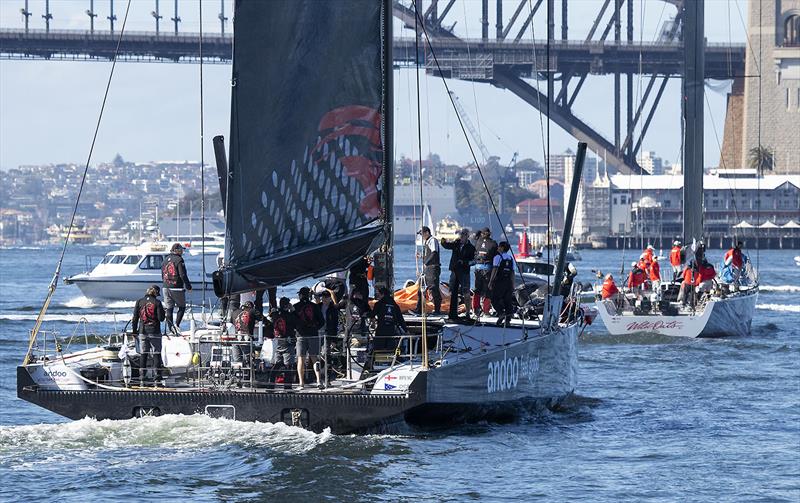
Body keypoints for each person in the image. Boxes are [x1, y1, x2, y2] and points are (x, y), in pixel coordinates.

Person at [131, 285, 166, 386]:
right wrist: (164, 312)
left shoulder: (139, 302)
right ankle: (157, 376)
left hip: (142, 331)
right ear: (155, 293)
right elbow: (161, 318)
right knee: (156, 353)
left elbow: (135, 318)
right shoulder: (157, 303)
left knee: (143, 353)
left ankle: (142, 375)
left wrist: (134, 331)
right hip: (154, 331)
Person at [440, 228, 476, 320]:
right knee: (453, 292)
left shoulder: (471, 248)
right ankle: (453, 313)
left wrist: (464, 262)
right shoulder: (456, 244)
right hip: (454, 271)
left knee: (466, 292)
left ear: (467, 236)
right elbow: (447, 246)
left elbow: (474, 261)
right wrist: (443, 241)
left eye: (464, 235)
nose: (462, 237)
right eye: (461, 235)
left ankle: (468, 313)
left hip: (464, 272)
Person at [294, 287, 324, 388]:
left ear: (300, 295)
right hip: (313, 335)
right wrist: (314, 328)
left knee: (301, 360)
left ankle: (301, 383)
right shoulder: (315, 306)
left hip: (301, 336)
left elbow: (294, 322)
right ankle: (319, 381)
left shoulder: (296, 306)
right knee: (315, 358)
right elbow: (322, 322)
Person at [161, 243, 192, 330]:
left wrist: (165, 283)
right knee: (182, 307)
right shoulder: (179, 260)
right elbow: (182, 275)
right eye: (181, 250)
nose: (182, 252)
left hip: (165, 287)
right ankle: (177, 325)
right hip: (176, 287)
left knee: (169, 308)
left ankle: (170, 328)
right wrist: (188, 286)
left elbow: (162, 274)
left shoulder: (165, 259)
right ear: (176, 250)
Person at [415, 226, 442, 315]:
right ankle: (418, 310)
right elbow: (429, 254)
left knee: (433, 288)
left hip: (433, 268)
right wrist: (421, 257)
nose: (421, 236)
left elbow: (434, 253)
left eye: (422, 234)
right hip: (427, 269)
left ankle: (437, 310)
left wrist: (426, 262)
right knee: (420, 289)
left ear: (427, 232)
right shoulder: (426, 242)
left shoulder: (432, 240)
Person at [370, 287, 407, 352]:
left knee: (378, 349)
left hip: (381, 330)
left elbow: (372, 314)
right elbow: (400, 319)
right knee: (390, 349)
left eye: (378, 294)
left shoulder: (379, 304)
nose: (377, 296)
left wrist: (366, 314)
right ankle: (390, 359)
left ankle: (377, 360)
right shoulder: (395, 305)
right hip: (391, 330)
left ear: (382, 294)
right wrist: (405, 330)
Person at [488, 241, 516, 326]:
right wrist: (513, 284)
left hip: (500, 281)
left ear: (502, 248)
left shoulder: (497, 257)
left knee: (494, 299)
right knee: (507, 300)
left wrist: (490, 282)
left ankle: (501, 313)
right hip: (508, 282)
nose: (497, 248)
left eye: (499, 247)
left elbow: (495, 269)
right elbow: (512, 273)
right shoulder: (511, 258)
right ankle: (508, 320)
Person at [268, 297, 298, 374]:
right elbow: (297, 323)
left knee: (277, 364)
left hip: (278, 341)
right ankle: (288, 385)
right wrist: (293, 311)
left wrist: (273, 312)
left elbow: (270, 324)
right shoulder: (289, 315)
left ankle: (271, 383)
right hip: (288, 342)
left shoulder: (275, 315)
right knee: (288, 365)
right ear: (287, 305)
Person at [472, 227, 497, 316]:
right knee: (488, 291)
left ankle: (475, 310)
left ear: (482, 234)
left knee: (477, 290)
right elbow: (496, 256)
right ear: (489, 233)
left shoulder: (477, 242)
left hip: (478, 269)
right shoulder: (493, 243)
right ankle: (486, 311)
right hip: (488, 269)